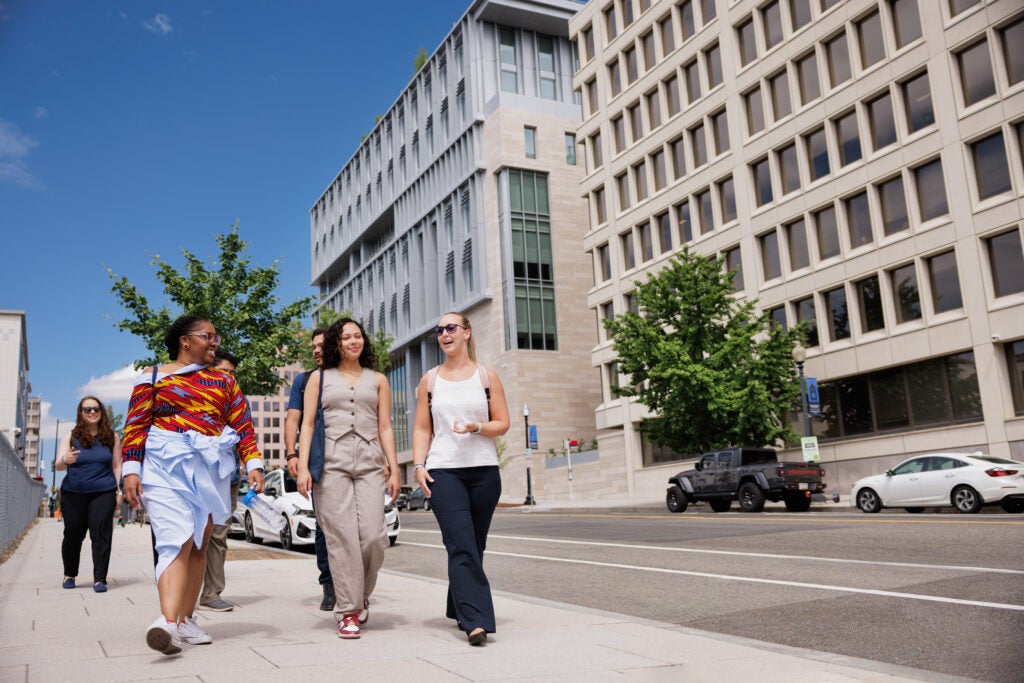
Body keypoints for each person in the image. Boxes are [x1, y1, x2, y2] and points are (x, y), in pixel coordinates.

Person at [122, 315, 265, 655]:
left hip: (209, 468)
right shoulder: (152, 377)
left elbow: (242, 424)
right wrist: (131, 469)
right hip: (163, 464)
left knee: (199, 544)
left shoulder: (223, 382)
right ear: (185, 341)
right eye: (208, 336)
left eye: (216, 336)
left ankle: (186, 620)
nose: (214, 341)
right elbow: (136, 424)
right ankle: (167, 623)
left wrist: (254, 462)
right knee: (177, 538)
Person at [411, 312, 510, 646]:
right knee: (461, 544)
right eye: (439, 330)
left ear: (467, 333)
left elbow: (503, 423)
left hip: (483, 471)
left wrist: (476, 427)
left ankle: (459, 607)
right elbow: (423, 427)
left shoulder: (486, 376)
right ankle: (476, 621)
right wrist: (419, 465)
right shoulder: (430, 380)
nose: (444, 334)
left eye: (451, 328)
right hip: (443, 471)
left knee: (474, 546)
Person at [297, 317, 400, 639]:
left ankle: (360, 594)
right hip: (331, 464)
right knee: (342, 539)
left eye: (358, 336)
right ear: (335, 343)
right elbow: (308, 424)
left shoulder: (378, 379)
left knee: (373, 537)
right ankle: (348, 610)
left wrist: (394, 467)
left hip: (370, 463)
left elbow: (385, 426)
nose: (354, 341)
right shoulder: (319, 378)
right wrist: (302, 467)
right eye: (346, 337)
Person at [283, 328, 335, 610]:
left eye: (322, 345)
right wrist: (292, 453)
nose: (316, 350)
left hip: (353, 461)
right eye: (314, 346)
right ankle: (329, 585)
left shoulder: (351, 377)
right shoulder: (303, 381)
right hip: (318, 464)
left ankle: (353, 580)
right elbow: (293, 420)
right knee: (325, 528)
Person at [56, 397, 122, 593]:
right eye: (87, 410)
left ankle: (99, 579)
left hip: (103, 491)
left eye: (96, 409)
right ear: (81, 413)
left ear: (101, 412)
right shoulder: (71, 436)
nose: (92, 412)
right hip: (74, 492)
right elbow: (58, 465)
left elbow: (117, 465)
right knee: (73, 535)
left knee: (101, 535)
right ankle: (69, 574)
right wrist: (65, 459)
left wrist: (118, 490)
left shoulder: (112, 437)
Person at [198, 349, 244, 612]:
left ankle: (211, 592)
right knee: (193, 534)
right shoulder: (196, 398)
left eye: (232, 374)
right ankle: (185, 588)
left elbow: (245, 432)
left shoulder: (237, 399)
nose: (229, 378)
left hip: (229, 476)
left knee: (218, 534)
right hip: (201, 474)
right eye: (224, 372)